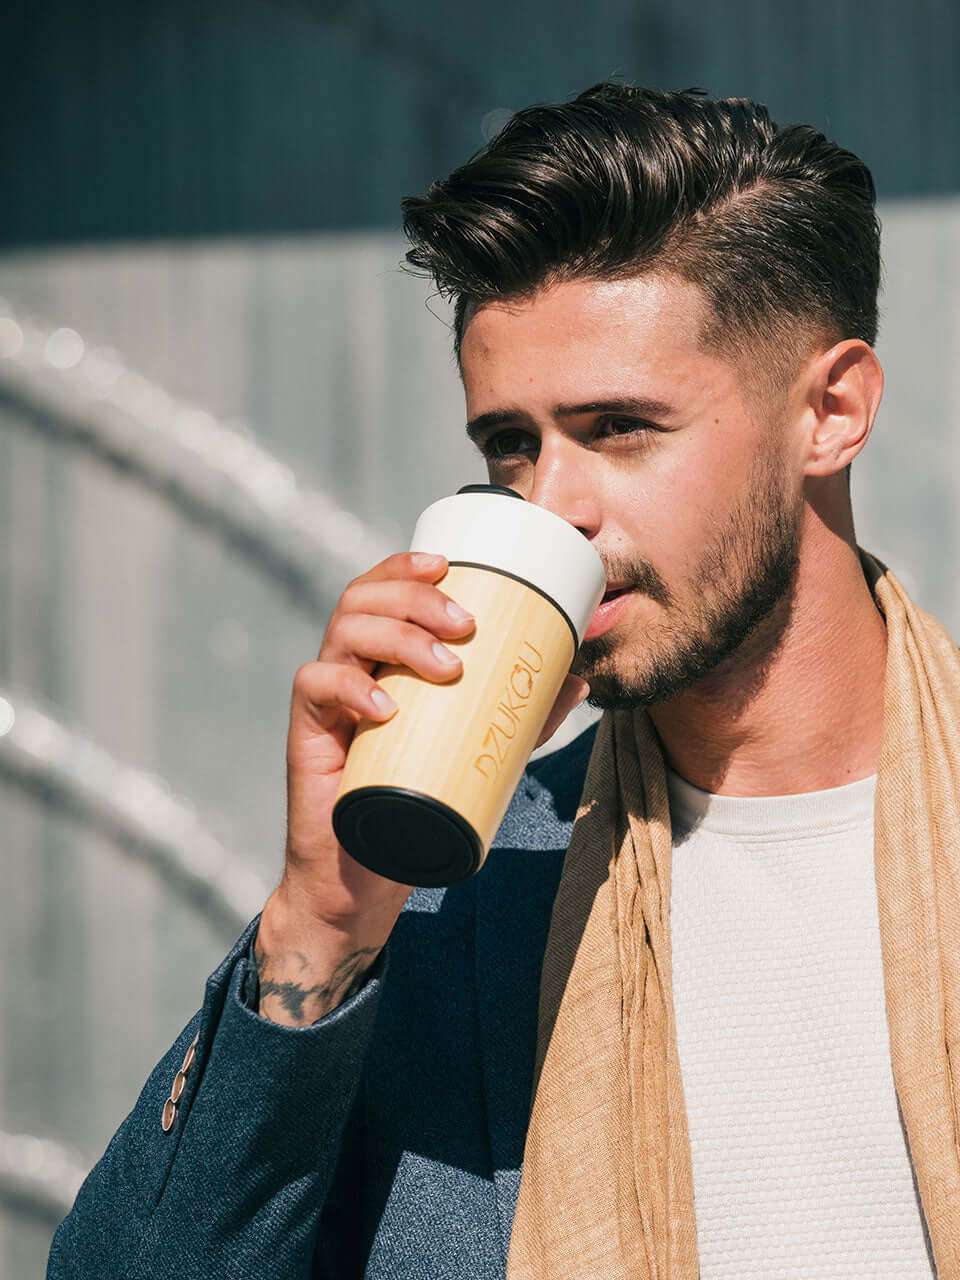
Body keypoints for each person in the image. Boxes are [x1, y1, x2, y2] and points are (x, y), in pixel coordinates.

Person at [46, 82, 958, 1280]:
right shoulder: (459, 904)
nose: (552, 508)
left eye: (622, 426)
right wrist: (320, 924)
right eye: (511, 443)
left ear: (831, 410)